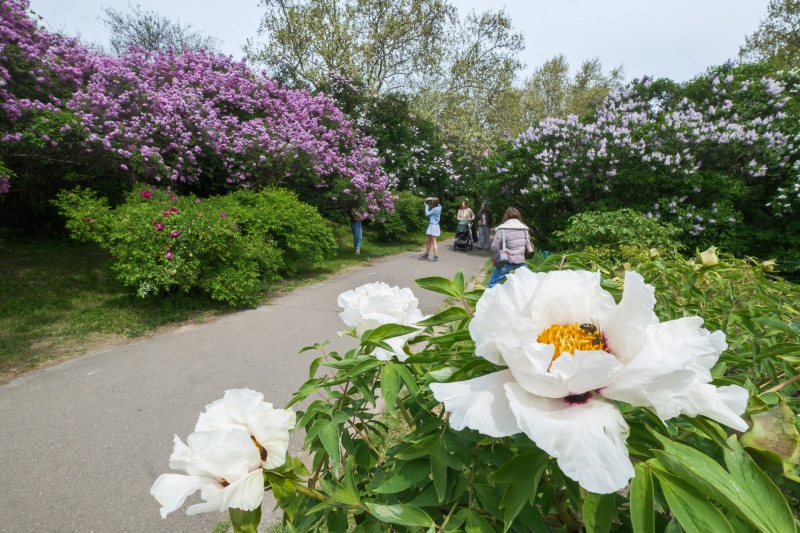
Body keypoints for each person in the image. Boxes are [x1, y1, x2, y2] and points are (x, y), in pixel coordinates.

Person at [487, 207, 531, 288]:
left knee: (491, 286)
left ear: (506, 217)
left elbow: (494, 247)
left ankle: (489, 300)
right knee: (525, 286)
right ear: (518, 216)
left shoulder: (502, 229)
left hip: (506, 263)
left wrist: (501, 249)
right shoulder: (525, 229)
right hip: (522, 263)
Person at [420, 197, 441, 262]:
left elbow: (427, 214)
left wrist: (426, 206)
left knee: (434, 241)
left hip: (433, 226)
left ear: (434, 203)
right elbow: (437, 202)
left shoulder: (435, 209)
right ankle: (426, 254)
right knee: (428, 240)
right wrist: (430, 198)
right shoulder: (440, 207)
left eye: (432, 202)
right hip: (434, 225)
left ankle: (436, 256)